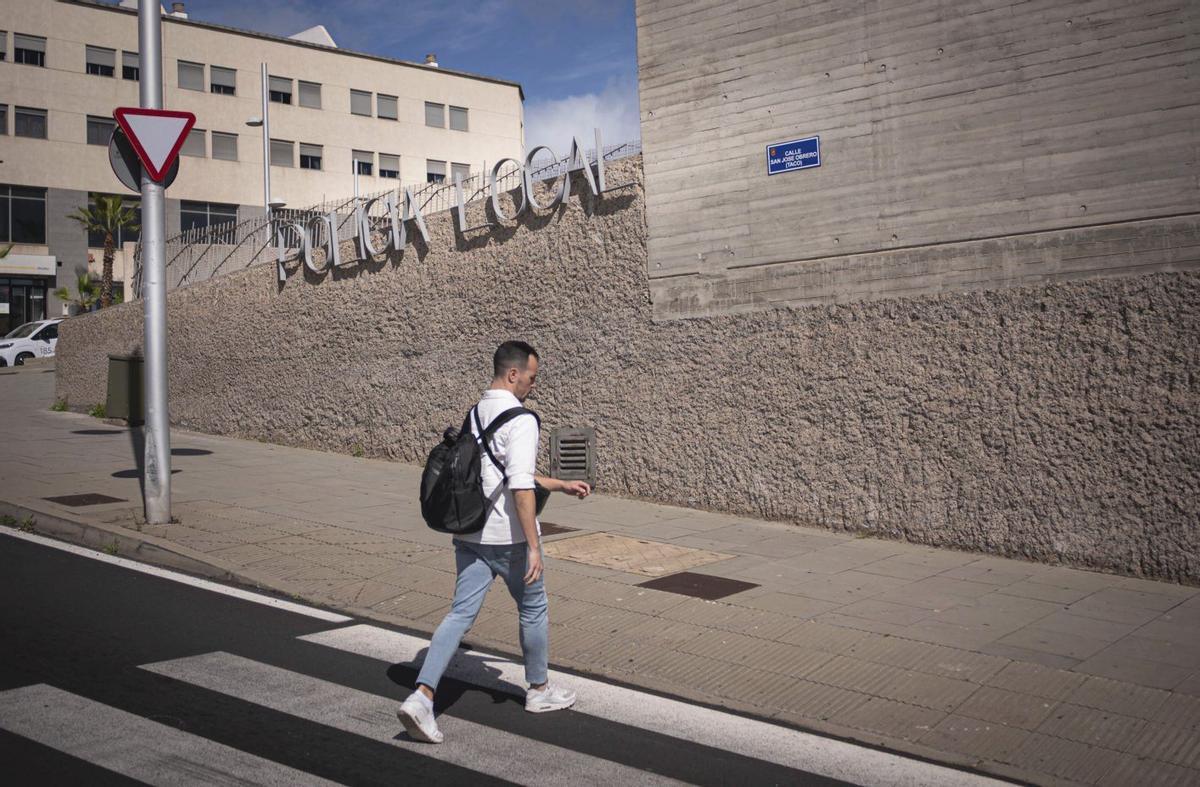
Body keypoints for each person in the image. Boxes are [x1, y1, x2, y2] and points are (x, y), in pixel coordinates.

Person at [398, 340, 592, 744]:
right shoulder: (522, 419)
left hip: (470, 533)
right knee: (533, 608)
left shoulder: (476, 412)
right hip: (509, 539)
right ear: (513, 374)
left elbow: (499, 470)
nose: (533, 386)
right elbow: (519, 485)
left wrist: (560, 484)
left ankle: (421, 697)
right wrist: (533, 546)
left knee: (459, 614)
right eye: (531, 378)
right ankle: (538, 690)